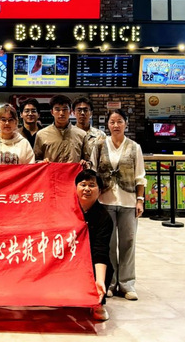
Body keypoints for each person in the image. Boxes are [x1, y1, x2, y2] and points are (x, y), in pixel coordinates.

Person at [91, 109, 147, 301]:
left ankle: (127, 284)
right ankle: (110, 283)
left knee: (128, 243)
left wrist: (140, 200)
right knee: (108, 244)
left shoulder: (134, 147)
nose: (116, 125)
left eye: (120, 121)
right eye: (112, 122)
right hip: (105, 201)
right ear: (107, 124)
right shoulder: (99, 145)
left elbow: (140, 176)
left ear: (126, 123)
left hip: (128, 201)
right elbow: (93, 171)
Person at [75, 169, 114, 322]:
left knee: (107, 267)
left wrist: (100, 281)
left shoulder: (104, 218)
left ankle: (97, 302)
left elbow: (101, 251)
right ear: (75, 188)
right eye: (83, 184)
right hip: (69, 257)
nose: (87, 189)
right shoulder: (66, 210)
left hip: (90, 258)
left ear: (100, 191)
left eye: (92, 185)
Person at [33, 94, 92, 166]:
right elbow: (35, 160)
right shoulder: (41, 134)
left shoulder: (81, 134)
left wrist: (85, 163)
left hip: (74, 173)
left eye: (65, 109)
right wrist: (41, 162)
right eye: (57, 109)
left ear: (70, 112)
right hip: (51, 172)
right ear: (52, 112)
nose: (61, 113)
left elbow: (88, 161)